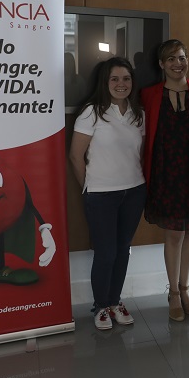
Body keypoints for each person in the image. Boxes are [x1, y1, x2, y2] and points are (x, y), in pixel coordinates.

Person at [69, 57, 147, 330]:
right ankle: (101, 306)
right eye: (114, 79)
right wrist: (89, 188)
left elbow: (138, 153)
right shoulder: (92, 112)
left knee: (123, 251)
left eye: (126, 78)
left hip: (135, 192)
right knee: (106, 254)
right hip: (101, 195)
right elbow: (76, 156)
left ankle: (115, 301)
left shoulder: (139, 113)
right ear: (105, 82)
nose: (120, 84)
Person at [140, 39, 189, 322]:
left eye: (181, 58)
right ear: (161, 64)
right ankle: (172, 293)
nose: (177, 63)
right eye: (171, 59)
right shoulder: (148, 94)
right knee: (173, 235)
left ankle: (185, 291)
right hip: (164, 173)